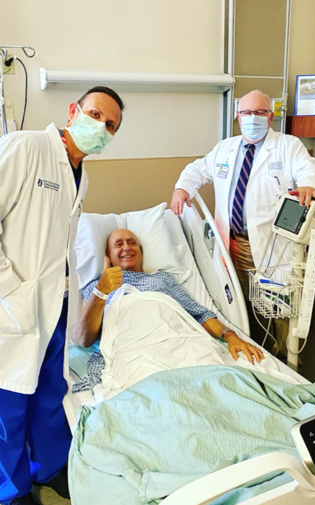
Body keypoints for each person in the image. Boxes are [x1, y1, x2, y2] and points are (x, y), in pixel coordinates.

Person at [0, 86, 124, 505]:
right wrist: (10, 288)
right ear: (73, 111)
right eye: (95, 115)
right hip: (13, 307)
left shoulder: (81, 174)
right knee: (10, 406)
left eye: (110, 126)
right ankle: (12, 492)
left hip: (55, 305)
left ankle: (51, 467)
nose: (101, 128)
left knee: (50, 393)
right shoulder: (26, 148)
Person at [170, 90, 315, 358]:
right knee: (240, 299)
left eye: (260, 112)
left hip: (271, 245)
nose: (253, 118)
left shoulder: (288, 146)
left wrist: (310, 184)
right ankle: (248, 347)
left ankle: (284, 357)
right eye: (246, 113)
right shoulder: (225, 148)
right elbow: (197, 169)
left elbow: (308, 169)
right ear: (238, 116)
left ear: (271, 115)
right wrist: (182, 188)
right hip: (232, 242)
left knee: (278, 307)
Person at [76, 228, 264, 366]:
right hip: (133, 353)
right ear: (108, 254)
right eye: (119, 244)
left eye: (132, 242)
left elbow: (199, 314)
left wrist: (230, 336)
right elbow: (84, 339)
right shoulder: (96, 287)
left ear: (140, 250)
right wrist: (101, 291)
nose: (126, 247)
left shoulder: (161, 278)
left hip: (178, 344)